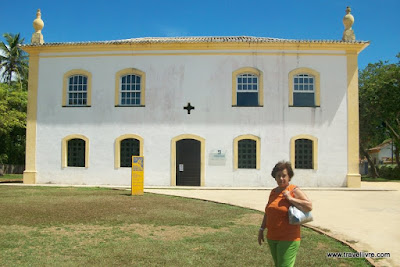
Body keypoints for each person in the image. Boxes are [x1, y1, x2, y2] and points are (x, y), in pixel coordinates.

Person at [258, 161, 312, 267]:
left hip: (289, 238)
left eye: (284, 176)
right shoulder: (273, 192)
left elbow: (309, 206)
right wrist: (261, 229)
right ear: (275, 177)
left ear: (289, 177)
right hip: (272, 237)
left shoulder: (293, 190)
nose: (281, 179)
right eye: (278, 176)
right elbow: (268, 212)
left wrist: (290, 198)